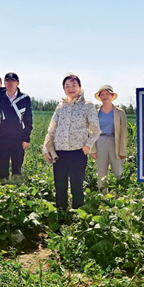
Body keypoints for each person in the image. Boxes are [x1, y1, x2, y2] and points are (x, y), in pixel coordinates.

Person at [43, 74, 101, 210]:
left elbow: (96, 130)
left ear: (80, 87)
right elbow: (52, 130)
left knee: (77, 186)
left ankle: (77, 219)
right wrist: (46, 149)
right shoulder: (60, 107)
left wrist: (87, 147)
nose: (71, 88)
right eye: (67, 86)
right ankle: (61, 216)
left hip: (77, 153)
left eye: (74, 85)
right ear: (64, 89)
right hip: (59, 152)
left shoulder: (88, 106)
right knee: (60, 186)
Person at [0, 72, 33, 179]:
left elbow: (28, 121)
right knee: (2, 170)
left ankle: (16, 191)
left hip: (18, 139)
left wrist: (26, 139)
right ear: (4, 83)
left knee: (16, 170)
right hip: (3, 138)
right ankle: (3, 190)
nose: (10, 83)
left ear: (17, 83)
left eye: (12, 81)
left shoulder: (25, 98)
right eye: (7, 81)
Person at [90, 85, 128, 194]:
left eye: (107, 94)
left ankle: (121, 195)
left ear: (112, 96)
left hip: (115, 142)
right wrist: (93, 150)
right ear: (99, 97)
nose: (105, 96)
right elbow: (92, 131)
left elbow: (123, 133)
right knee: (101, 171)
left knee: (118, 171)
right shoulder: (96, 113)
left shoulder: (120, 113)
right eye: (102, 94)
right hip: (100, 142)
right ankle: (103, 195)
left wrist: (122, 151)